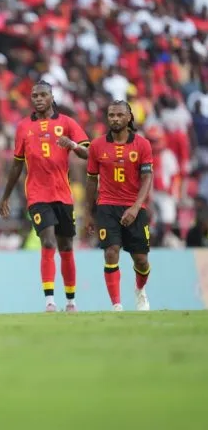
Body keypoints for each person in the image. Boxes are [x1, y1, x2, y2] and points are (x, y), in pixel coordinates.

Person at [0, 80, 89, 312]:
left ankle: (71, 301)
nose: (38, 99)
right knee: (48, 241)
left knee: (66, 247)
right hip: (37, 195)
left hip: (63, 195)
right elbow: (17, 165)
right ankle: (50, 300)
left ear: (51, 97)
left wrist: (73, 145)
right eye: (34, 96)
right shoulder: (23, 127)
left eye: (42, 95)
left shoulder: (67, 123)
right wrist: (6, 196)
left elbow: (88, 153)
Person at [85, 100, 153, 311]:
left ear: (129, 117)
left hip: (134, 207)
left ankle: (140, 290)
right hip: (107, 206)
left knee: (141, 260)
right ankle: (116, 305)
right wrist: (89, 213)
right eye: (111, 115)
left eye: (119, 115)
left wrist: (135, 207)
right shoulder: (97, 145)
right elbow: (91, 180)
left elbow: (147, 178)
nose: (115, 119)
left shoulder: (142, 144)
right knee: (111, 252)